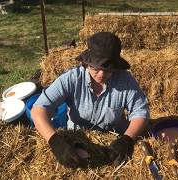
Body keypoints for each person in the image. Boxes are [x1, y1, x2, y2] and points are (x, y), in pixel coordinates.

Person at [31, 32, 149, 168]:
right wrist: (54, 141)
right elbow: (38, 109)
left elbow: (141, 112)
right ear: (87, 63)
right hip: (76, 139)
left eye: (109, 70)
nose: (101, 74)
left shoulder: (126, 80)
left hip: (114, 143)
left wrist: (127, 139)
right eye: (95, 68)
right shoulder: (72, 78)